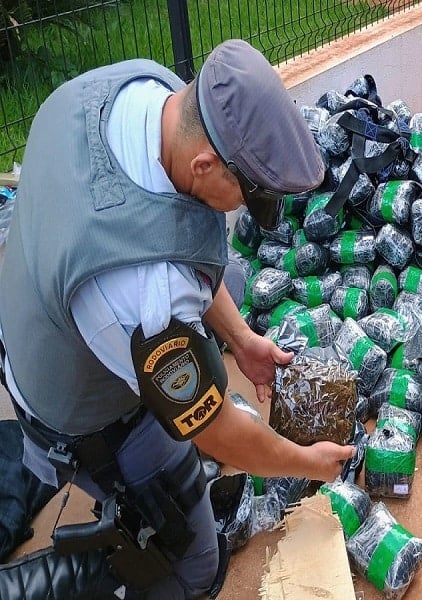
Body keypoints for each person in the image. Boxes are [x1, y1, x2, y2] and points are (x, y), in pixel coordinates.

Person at [0, 39, 355, 599]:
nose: (249, 212)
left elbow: (177, 247)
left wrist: (241, 340)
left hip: (37, 319)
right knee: (189, 565)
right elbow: (216, 431)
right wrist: (305, 463)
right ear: (206, 164)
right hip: (74, 409)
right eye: (252, 196)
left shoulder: (142, 89)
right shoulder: (147, 300)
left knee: (227, 281)